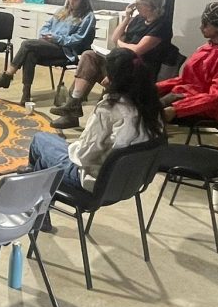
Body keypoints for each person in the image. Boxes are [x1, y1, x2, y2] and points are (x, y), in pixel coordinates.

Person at [24, 48, 166, 231]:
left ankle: (33, 206)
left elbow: (84, 156)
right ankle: (31, 187)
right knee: (42, 161)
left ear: (113, 76)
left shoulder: (111, 108)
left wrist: (71, 146)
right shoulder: (153, 107)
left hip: (95, 184)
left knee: (40, 141)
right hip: (131, 181)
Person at [50, 0, 174, 129]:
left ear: (150, 6)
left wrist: (120, 45)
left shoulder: (162, 25)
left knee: (101, 67)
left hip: (139, 71)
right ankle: (73, 105)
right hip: (122, 63)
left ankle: (82, 116)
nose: (136, 7)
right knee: (89, 56)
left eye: (139, 5)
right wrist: (127, 18)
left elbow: (137, 50)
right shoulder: (139, 19)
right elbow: (115, 38)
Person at [0, 0, 96, 103]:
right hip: (49, 45)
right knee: (30, 53)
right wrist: (46, 36)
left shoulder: (88, 17)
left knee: (27, 44)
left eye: (75, 0)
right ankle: (26, 93)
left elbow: (77, 39)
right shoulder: (62, 10)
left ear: (83, 0)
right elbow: (46, 26)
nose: (71, 2)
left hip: (66, 50)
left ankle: (7, 76)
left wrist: (56, 38)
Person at [158, 2, 218, 124]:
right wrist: (155, 88)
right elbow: (186, 80)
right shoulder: (208, 47)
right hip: (185, 96)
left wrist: (176, 109)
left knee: (146, 113)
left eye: (205, 24)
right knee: (140, 101)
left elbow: (216, 97)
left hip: (206, 108)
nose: (201, 27)